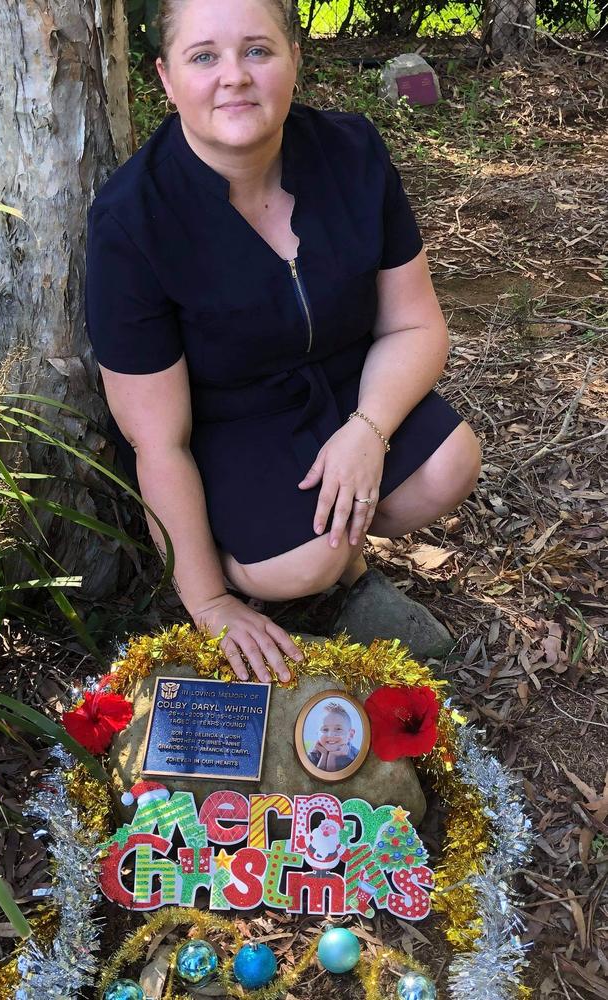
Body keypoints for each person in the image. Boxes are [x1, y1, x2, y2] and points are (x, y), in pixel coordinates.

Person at [85, 0, 482, 686]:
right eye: (204, 56)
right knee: (299, 566)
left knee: (450, 466)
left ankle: (343, 558)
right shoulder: (132, 222)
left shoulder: (352, 153)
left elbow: (416, 325)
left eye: (258, 50)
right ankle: (315, 570)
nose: (234, 76)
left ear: (295, 59)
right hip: (227, 419)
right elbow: (158, 441)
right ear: (166, 78)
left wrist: (368, 430)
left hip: (345, 383)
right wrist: (209, 603)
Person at [307, 701, 360, 772]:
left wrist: (332, 757)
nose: (331, 735)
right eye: (325, 729)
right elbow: (315, 779)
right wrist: (324, 755)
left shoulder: (356, 757)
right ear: (317, 734)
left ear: (350, 735)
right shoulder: (312, 756)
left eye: (338, 729)